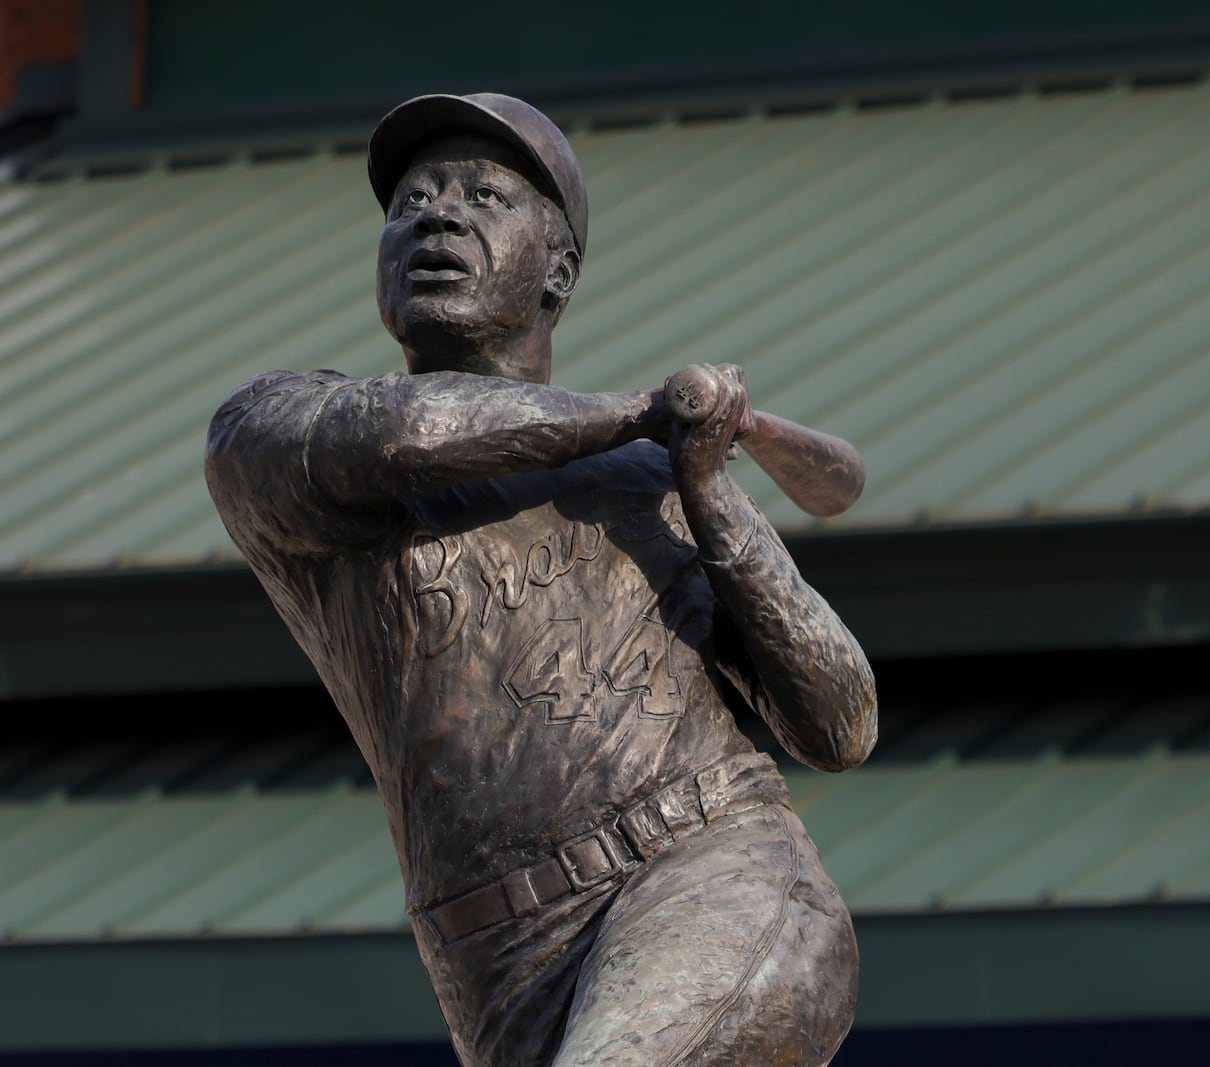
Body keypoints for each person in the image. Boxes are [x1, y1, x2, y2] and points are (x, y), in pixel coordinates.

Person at [204, 92, 877, 1067]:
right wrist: (639, 411)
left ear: (557, 268)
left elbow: (839, 721)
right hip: (492, 956)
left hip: (704, 872)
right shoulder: (276, 430)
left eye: (483, 195)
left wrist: (709, 489)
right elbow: (407, 431)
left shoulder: (651, 484)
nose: (437, 215)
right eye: (412, 203)